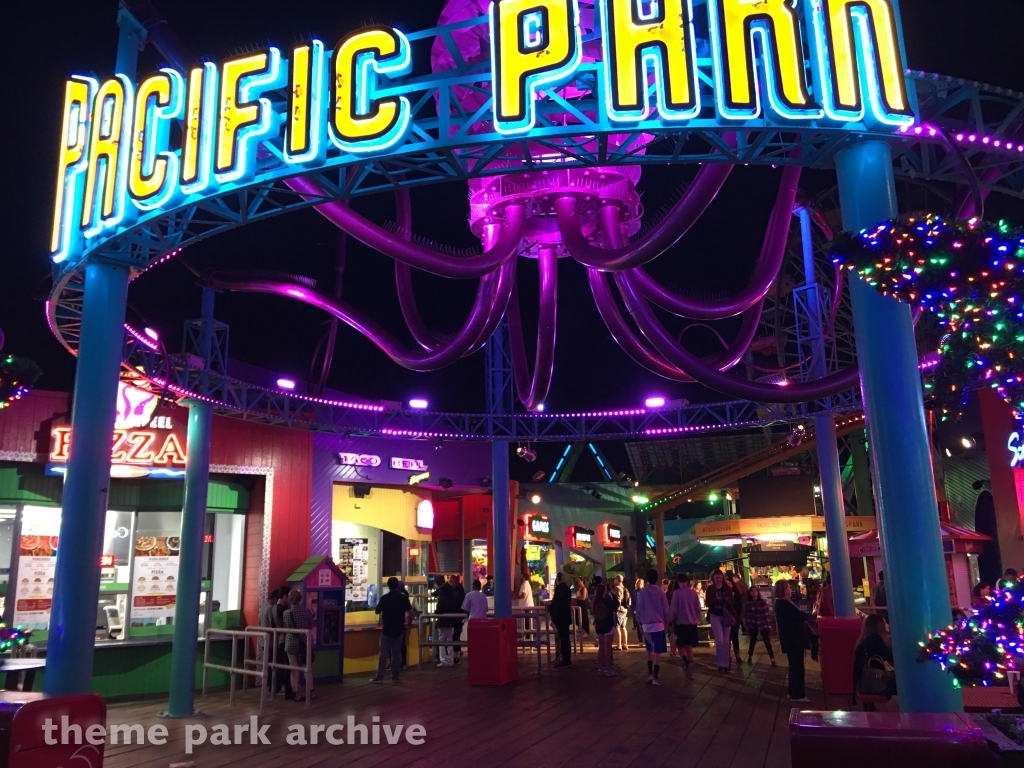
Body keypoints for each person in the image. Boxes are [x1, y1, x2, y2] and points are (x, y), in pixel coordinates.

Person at [775, 580, 811, 703]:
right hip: (794, 639)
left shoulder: (781, 603)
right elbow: (799, 617)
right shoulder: (785, 604)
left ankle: (792, 691)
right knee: (797, 666)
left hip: (790, 639)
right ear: (784, 589)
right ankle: (798, 694)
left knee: (794, 665)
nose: (790, 590)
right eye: (788, 588)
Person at [371, 577, 413, 684]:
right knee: (396, 654)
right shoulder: (402, 598)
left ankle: (380, 676)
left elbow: (377, 611)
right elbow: (410, 611)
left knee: (383, 654)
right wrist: (408, 624)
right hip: (399, 629)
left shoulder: (385, 598)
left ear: (388, 586)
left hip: (387, 629)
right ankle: (395, 677)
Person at [635, 568, 671, 685]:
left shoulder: (642, 593)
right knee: (657, 652)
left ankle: (650, 674)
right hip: (658, 624)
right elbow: (666, 610)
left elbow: (638, 609)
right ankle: (656, 676)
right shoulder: (661, 593)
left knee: (649, 650)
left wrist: (639, 623)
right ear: (657, 580)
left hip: (646, 624)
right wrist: (667, 623)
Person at [853, 614, 894, 710]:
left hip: (861, 683)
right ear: (879, 626)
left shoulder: (862, 642)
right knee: (904, 685)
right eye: (884, 623)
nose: (887, 625)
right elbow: (890, 657)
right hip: (873, 684)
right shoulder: (876, 640)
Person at [283, 589, 314, 702]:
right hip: (304, 642)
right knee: (307, 668)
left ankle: (295, 693)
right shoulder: (307, 611)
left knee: (293, 669)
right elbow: (311, 625)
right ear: (301, 599)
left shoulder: (286, 613)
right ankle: (311, 691)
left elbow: (286, 627)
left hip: (291, 642)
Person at [670, 573, 702, 678]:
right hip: (692, 623)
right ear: (687, 582)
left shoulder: (677, 593)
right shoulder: (693, 593)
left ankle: (685, 661)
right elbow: (698, 608)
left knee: (680, 645)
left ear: (678, 582)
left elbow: (674, 609)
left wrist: (672, 620)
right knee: (689, 646)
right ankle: (691, 662)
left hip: (681, 622)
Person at [705, 569, 738, 673]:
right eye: (716, 578)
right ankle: (720, 663)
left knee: (726, 640)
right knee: (719, 640)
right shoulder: (710, 589)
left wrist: (726, 600)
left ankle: (726, 663)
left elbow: (732, 602)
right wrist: (718, 600)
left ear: (722, 578)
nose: (718, 579)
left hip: (726, 614)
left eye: (720, 577)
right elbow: (708, 602)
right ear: (713, 578)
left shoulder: (727, 588)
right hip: (715, 614)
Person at [743, 586, 776, 666]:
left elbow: (766, 614)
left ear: (758, 593)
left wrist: (768, 625)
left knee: (766, 641)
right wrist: (747, 625)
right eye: (752, 591)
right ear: (750, 593)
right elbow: (747, 615)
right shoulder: (748, 603)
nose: (754, 593)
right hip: (753, 623)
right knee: (753, 640)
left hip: (762, 623)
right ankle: (750, 655)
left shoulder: (762, 602)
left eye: (755, 591)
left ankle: (772, 658)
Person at [592, 583, 619, 676]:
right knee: (607, 648)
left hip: (599, 625)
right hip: (608, 625)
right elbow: (616, 606)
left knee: (601, 648)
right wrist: (612, 594)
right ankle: (608, 669)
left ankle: (600, 667)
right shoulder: (607, 600)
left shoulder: (595, 602)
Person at [435, 575, 461, 667]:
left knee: (441, 640)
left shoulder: (442, 597)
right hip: (451, 620)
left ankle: (444, 661)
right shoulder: (452, 596)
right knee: (450, 639)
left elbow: (439, 610)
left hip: (443, 621)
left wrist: (436, 613)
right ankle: (450, 660)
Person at [549, 573, 572, 667]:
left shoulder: (559, 589)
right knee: (566, 637)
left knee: (562, 638)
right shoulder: (567, 589)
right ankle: (567, 658)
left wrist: (554, 617)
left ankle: (565, 659)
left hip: (560, 617)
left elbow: (556, 604)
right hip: (566, 616)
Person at [729, 574, 746, 664]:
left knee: (735, 637)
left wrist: (737, 616)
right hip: (727, 618)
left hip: (735, 618)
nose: (728, 585)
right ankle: (728, 655)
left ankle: (737, 654)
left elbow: (739, 605)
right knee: (728, 637)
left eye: (729, 583)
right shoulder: (725, 594)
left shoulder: (736, 595)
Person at [610, 575, 631, 651]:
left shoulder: (617, 588)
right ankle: (625, 644)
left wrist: (616, 609)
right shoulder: (625, 588)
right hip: (625, 609)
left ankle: (619, 645)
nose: (614, 580)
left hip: (619, 610)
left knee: (617, 627)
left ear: (618, 580)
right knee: (623, 627)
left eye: (615, 579)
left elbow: (618, 599)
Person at [450, 575, 467, 664]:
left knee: (455, 636)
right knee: (456, 636)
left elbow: (456, 605)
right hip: (458, 618)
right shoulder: (460, 592)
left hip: (456, 618)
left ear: (456, 582)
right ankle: (456, 655)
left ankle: (455, 656)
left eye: (451, 582)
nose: (450, 584)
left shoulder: (457, 593)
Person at [632, 578, 646, 646]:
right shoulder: (634, 592)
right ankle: (640, 640)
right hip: (637, 610)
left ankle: (646, 639)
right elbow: (633, 602)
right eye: (638, 584)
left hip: (644, 610)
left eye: (640, 584)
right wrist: (634, 610)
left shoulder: (645, 592)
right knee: (638, 626)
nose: (639, 585)